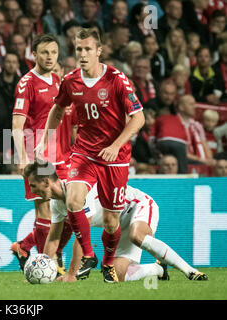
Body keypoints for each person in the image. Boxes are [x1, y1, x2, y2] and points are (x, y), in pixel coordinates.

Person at [37, 28, 145, 283]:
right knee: (74, 201)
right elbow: (57, 108)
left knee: (110, 222)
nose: (82, 54)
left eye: (87, 49)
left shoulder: (118, 80)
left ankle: (108, 262)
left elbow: (139, 118)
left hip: (114, 158)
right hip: (84, 152)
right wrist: (44, 141)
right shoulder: (71, 81)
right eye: (78, 50)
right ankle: (88, 254)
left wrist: (116, 145)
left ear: (99, 51)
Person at [23, 161, 208, 282]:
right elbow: (53, 239)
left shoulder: (77, 188)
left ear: (46, 181)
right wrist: (44, 265)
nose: (32, 190)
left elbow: (83, 233)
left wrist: (71, 274)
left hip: (137, 205)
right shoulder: (56, 203)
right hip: (117, 225)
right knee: (118, 275)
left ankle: (190, 271)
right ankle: (158, 269)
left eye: (33, 185)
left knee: (138, 236)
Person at [11, 34, 74, 270]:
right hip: (36, 153)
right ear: (34, 54)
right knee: (44, 207)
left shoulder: (59, 81)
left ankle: (26, 246)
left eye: (54, 52)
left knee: (71, 205)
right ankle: (47, 263)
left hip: (62, 153)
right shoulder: (26, 83)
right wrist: (23, 158)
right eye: (45, 52)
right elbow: (17, 126)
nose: (49, 57)